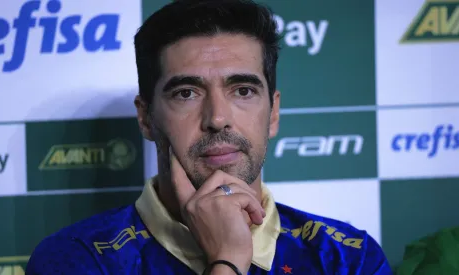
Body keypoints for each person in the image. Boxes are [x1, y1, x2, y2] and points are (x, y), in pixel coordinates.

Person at [25, 0, 393, 274]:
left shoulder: (348, 257)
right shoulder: (77, 258)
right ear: (146, 117)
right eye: (186, 92)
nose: (217, 118)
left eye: (243, 91)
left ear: (274, 113)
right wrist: (229, 258)